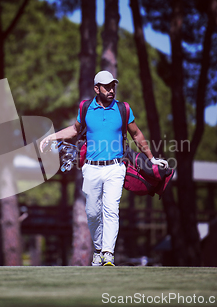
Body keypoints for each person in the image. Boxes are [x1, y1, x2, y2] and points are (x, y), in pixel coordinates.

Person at [40, 71, 167, 266]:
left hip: (116, 168)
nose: (111, 90)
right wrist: (51, 137)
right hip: (91, 169)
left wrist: (151, 159)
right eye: (106, 86)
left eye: (113, 86)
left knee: (111, 210)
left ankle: (108, 253)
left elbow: (137, 134)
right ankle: (98, 249)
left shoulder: (123, 109)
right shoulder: (85, 108)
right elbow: (74, 130)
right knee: (92, 212)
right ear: (96, 88)